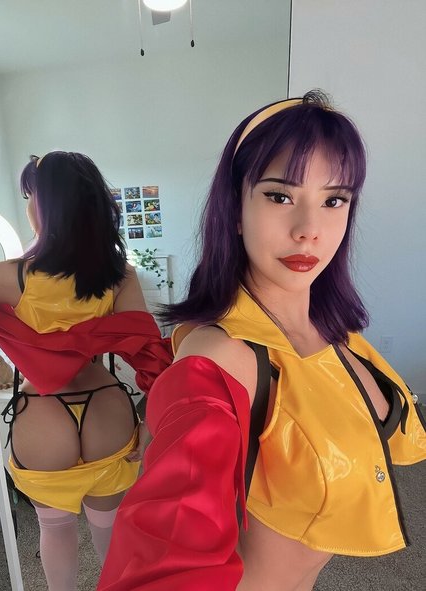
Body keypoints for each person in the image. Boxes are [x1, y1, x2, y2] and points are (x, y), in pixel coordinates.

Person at [98, 92, 426, 591]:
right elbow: (166, 549)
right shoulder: (221, 358)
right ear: (235, 208)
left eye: (333, 200)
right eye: (279, 196)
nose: (309, 231)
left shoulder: (339, 334)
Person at [0, 152, 172, 591]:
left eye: (30, 196)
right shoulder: (119, 275)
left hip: (43, 411)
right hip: (106, 406)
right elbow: (148, 353)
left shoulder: (6, 277)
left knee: (54, 527)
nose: (28, 206)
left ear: (47, 205)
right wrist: (152, 422)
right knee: (109, 526)